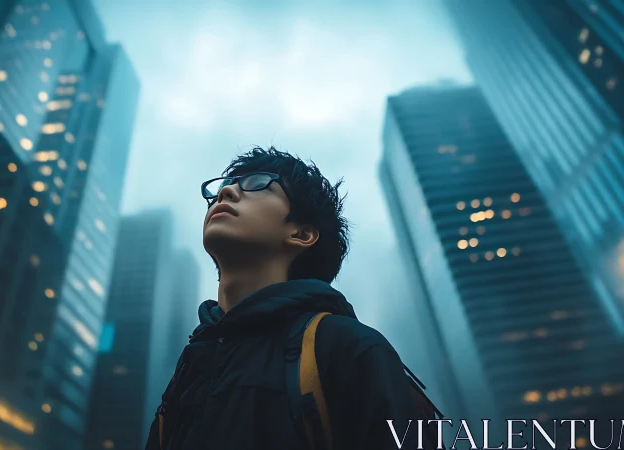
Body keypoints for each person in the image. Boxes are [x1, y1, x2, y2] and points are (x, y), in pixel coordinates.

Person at [145, 146, 432, 450]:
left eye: (256, 183)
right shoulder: (189, 367)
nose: (226, 192)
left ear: (302, 234)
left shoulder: (346, 346)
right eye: (222, 186)